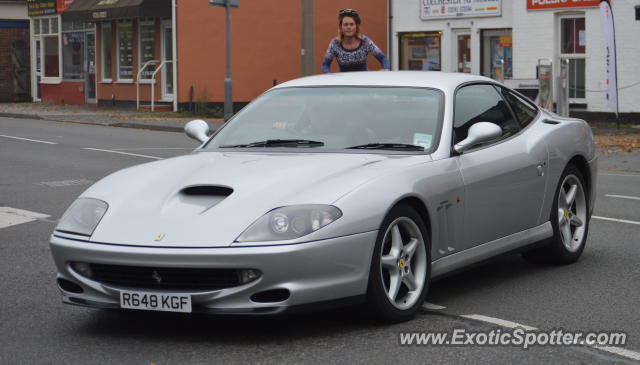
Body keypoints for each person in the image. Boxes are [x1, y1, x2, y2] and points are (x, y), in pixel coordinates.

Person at [321, 9, 390, 73]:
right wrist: (327, 74)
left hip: (362, 82)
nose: (349, 27)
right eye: (345, 24)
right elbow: (325, 65)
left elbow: (383, 58)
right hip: (344, 82)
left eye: (352, 24)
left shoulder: (365, 41)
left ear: (356, 27)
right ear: (340, 27)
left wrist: (386, 69)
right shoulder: (335, 43)